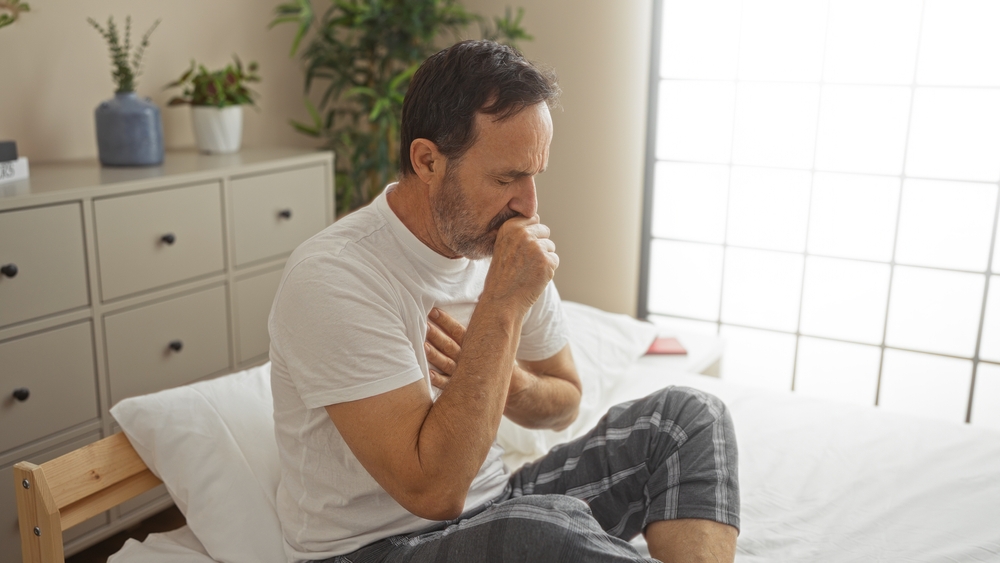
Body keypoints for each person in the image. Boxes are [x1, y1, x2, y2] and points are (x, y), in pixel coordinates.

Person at [268, 40, 740, 563]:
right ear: (427, 160)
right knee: (542, 530)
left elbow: (566, 402)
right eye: (506, 178)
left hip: (496, 506)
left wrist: (507, 381)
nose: (529, 204)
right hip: (369, 549)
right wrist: (503, 304)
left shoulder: (497, 240)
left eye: (534, 174)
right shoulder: (334, 277)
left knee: (689, 415)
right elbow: (435, 492)